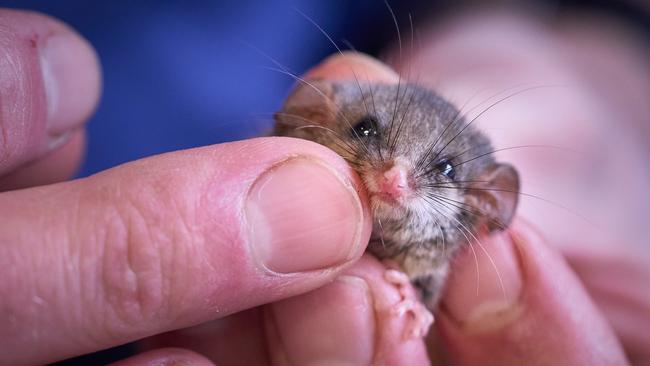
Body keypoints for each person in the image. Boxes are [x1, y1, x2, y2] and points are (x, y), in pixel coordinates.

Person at [0, 8, 645, 365]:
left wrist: (609, 68)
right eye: (369, 135)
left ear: (487, 202)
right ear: (321, 116)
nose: (392, 179)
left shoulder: (449, 244)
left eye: (441, 172)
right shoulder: (309, 138)